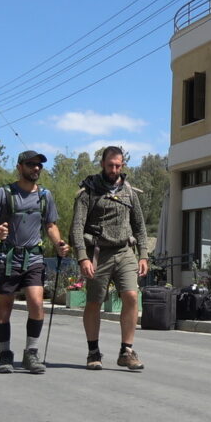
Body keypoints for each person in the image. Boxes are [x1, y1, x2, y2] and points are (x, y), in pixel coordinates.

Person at [0, 150, 69, 374]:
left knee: (36, 302)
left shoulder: (45, 196)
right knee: (4, 308)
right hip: (7, 258)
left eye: (39, 165)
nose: (36, 168)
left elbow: (50, 225)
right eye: (31, 164)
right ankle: (5, 355)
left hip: (33, 257)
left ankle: (31, 353)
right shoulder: (4, 194)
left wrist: (60, 243)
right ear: (20, 167)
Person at [69, 146, 148, 371]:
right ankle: (93, 351)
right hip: (97, 253)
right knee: (94, 302)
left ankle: (127, 351)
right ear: (102, 164)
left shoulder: (129, 192)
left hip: (124, 251)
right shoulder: (88, 192)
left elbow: (140, 226)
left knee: (131, 296)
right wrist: (83, 258)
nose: (115, 169)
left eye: (118, 165)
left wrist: (143, 254)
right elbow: (76, 228)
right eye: (111, 165)